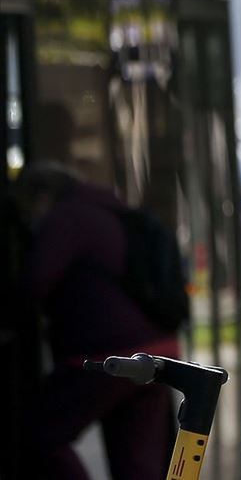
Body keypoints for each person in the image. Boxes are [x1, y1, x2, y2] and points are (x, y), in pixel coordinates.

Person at [14, 162, 178, 480]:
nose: (29, 219)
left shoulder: (68, 218)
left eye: (27, 209)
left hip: (106, 354)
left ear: (42, 196)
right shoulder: (112, 209)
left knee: (42, 436)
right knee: (137, 462)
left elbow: (34, 283)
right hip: (156, 351)